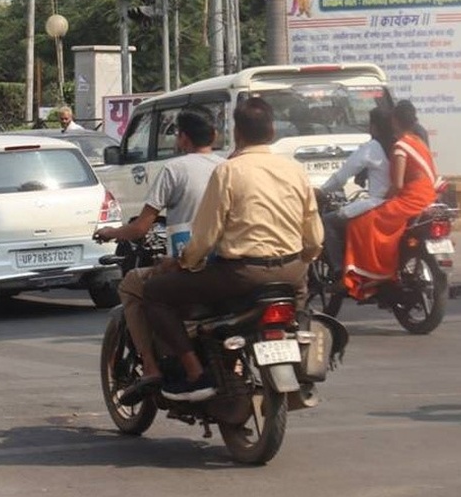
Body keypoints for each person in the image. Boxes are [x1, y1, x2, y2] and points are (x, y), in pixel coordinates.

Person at [141, 97, 322, 401]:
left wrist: (184, 262)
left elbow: (205, 236)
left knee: (154, 292)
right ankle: (300, 357)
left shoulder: (228, 172)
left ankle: (195, 373)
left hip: (240, 275)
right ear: (272, 130)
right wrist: (304, 261)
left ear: (237, 133)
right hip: (292, 272)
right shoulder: (295, 170)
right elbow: (314, 235)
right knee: (299, 309)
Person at [95, 109, 224, 403]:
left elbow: (141, 227)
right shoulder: (226, 167)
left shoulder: (174, 169)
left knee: (133, 284)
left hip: (190, 265)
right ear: (214, 136)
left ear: (182, 138)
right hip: (226, 264)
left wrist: (111, 232)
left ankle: (152, 368)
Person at [341, 100, 443, 297]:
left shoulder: (400, 147)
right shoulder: (419, 142)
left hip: (411, 199)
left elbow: (397, 185)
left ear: (395, 121)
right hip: (429, 196)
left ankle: (374, 273)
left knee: (360, 223)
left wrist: (385, 199)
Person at [318, 106, 395, 269]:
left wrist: (322, 190)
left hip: (377, 204)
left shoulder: (372, 147)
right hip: (400, 203)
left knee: (328, 221)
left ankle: (339, 270)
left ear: (374, 127)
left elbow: (341, 177)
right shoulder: (401, 144)